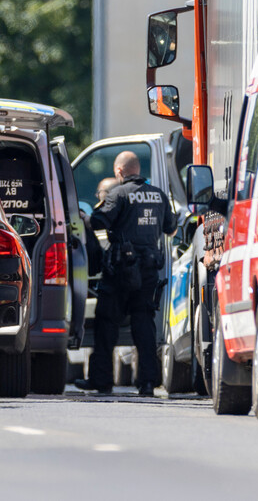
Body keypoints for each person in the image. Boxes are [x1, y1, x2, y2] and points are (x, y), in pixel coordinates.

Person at [75, 151, 175, 396]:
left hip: (121, 268)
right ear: (137, 169)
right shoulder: (159, 195)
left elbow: (99, 222)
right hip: (149, 269)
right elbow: (170, 227)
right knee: (144, 324)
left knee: (106, 322)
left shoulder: (118, 193)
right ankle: (148, 383)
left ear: (119, 171)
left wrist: (87, 216)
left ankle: (102, 380)